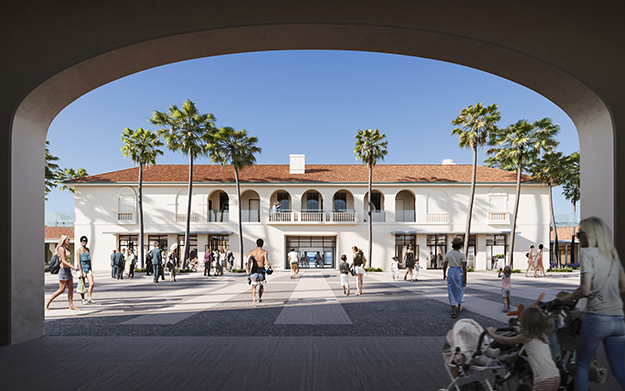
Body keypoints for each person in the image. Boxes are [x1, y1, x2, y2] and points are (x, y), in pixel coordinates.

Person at [556, 217, 625, 390]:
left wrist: (565, 298)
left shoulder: (588, 253)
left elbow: (584, 290)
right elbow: (623, 286)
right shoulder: (612, 255)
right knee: (619, 369)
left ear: (590, 235)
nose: (578, 238)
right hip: (618, 319)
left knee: (581, 367)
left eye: (580, 234)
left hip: (597, 319)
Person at [486, 307, 560, 391]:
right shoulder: (543, 336)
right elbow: (527, 337)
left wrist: (491, 332)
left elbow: (503, 340)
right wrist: (518, 331)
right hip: (555, 376)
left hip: (543, 379)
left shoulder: (525, 337)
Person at [45, 235, 81, 311]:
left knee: (71, 288)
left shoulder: (66, 249)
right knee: (61, 290)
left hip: (68, 270)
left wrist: (71, 267)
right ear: (64, 240)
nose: (69, 241)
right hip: (63, 270)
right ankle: (47, 303)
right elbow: (63, 261)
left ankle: (71, 306)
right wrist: (73, 267)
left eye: (69, 239)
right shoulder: (61, 248)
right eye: (68, 239)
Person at [443, 236, 467, 319]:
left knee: (451, 290)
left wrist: (444, 274)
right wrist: (465, 278)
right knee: (459, 288)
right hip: (459, 273)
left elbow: (445, 264)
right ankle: (459, 305)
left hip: (451, 272)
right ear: (460, 246)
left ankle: (453, 312)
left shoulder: (448, 253)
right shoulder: (462, 255)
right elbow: (464, 268)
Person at [247, 238, 272, 307]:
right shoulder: (264, 252)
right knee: (261, 285)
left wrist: (247, 270)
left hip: (254, 270)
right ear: (262, 244)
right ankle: (259, 298)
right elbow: (266, 260)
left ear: (256, 244)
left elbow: (248, 262)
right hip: (261, 270)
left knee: (253, 285)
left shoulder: (252, 252)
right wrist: (269, 267)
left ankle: (253, 298)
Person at [76, 235, 95, 305]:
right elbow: (78, 261)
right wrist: (80, 271)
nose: (84, 242)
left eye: (85, 241)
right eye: (82, 241)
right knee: (82, 285)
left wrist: (91, 269)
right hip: (82, 269)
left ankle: (89, 298)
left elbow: (90, 260)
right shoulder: (78, 250)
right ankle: (83, 299)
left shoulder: (88, 250)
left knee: (92, 283)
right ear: (80, 242)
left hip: (88, 268)